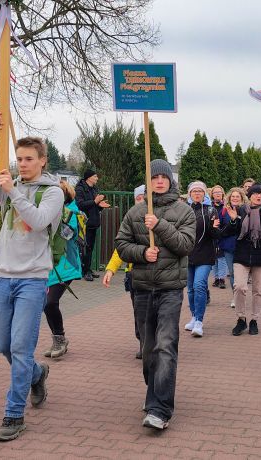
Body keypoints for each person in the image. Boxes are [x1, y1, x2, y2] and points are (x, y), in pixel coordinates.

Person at [0, 112, 64, 442]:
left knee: (21, 348)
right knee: (4, 346)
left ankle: (14, 414)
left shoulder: (53, 192)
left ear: (42, 161)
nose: (22, 164)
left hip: (32, 281)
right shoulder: (10, 187)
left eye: (28, 159)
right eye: (19, 159)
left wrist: (13, 192)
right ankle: (36, 375)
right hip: (2, 278)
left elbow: (38, 221)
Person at [115, 159, 195, 431]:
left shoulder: (184, 211)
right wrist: (142, 253)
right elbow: (121, 244)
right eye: (154, 177)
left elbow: (185, 245)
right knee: (148, 350)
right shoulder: (136, 211)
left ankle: (159, 409)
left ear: (170, 180)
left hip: (170, 288)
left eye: (164, 177)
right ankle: (155, 391)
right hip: (142, 289)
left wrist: (159, 225)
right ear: (148, 182)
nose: (159, 181)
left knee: (165, 345)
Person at [224, 185, 261, 336]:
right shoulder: (241, 210)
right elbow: (229, 232)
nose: (258, 196)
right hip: (242, 255)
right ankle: (241, 319)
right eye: (255, 194)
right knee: (240, 287)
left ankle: (254, 320)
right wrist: (233, 221)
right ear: (249, 196)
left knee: (258, 291)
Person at [41, 179, 83, 359]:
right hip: (49, 266)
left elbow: (67, 235)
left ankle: (60, 339)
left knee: (50, 302)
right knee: (46, 304)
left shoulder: (71, 213)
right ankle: (58, 339)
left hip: (66, 266)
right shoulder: (47, 211)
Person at [103, 185, 146, 358]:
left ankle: (155, 342)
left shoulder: (159, 218)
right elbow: (121, 248)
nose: (141, 201)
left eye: (144, 198)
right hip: (134, 274)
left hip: (156, 275)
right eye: (138, 198)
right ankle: (143, 342)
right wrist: (111, 270)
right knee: (139, 311)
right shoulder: (130, 220)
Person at [184, 181, 222, 337]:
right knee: (190, 288)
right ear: (190, 194)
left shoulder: (211, 210)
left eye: (200, 191)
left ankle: (199, 321)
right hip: (187, 255)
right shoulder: (184, 209)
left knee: (199, 285)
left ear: (204, 193)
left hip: (205, 255)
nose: (197, 193)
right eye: (194, 191)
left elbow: (217, 235)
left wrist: (214, 228)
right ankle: (193, 316)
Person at [75, 168, 110, 281]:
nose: (97, 178)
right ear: (89, 178)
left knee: (90, 248)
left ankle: (88, 269)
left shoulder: (94, 189)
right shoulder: (80, 189)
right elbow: (79, 205)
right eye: (95, 176)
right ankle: (84, 272)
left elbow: (94, 205)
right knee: (84, 247)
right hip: (83, 223)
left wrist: (100, 205)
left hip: (93, 222)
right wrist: (95, 202)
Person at [220, 188, 246, 308]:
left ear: (242, 198)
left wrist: (237, 219)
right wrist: (232, 221)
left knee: (241, 274)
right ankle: (235, 297)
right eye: (233, 196)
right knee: (232, 273)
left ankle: (241, 294)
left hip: (243, 246)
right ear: (229, 198)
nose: (235, 198)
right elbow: (221, 229)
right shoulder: (224, 211)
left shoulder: (246, 210)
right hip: (229, 246)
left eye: (237, 196)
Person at [210, 185, 229, 289]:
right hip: (212, 234)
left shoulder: (226, 206)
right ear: (212, 195)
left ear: (222, 194)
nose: (217, 194)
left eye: (219, 192)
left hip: (223, 234)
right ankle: (216, 278)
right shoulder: (209, 207)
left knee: (221, 257)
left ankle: (221, 278)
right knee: (214, 257)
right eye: (215, 192)